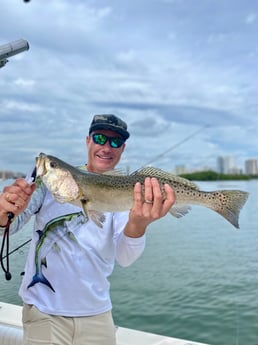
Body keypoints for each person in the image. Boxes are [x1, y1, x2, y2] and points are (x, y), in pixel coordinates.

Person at [0, 114, 175, 345]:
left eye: (114, 142)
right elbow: (9, 226)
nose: (106, 147)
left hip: (98, 314)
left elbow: (125, 257)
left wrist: (139, 224)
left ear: (122, 149)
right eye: (100, 138)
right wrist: (4, 213)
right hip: (44, 311)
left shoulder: (126, 193)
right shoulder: (44, 183)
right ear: (88, 140)